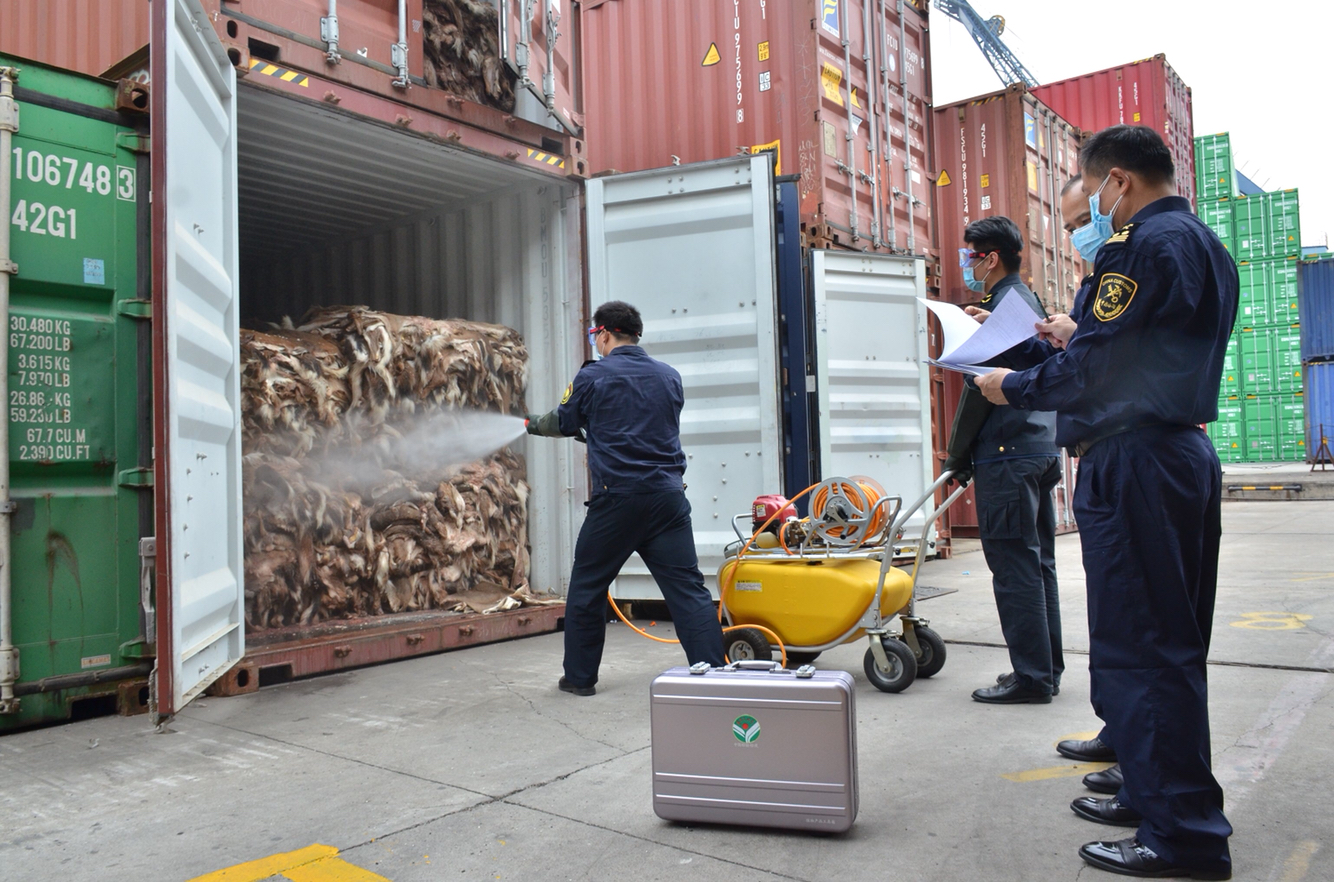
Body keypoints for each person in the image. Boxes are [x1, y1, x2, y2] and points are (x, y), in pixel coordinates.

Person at [975, 125, 1236, 880]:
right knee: (1166, 643)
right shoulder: (1203, 245)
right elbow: (1141, 350)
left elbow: (1096, 374)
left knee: (1144, 648)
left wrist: (1009, 385)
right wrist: (1077, 333)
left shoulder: (1137, 248)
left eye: (1092, 197)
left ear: (1117, 181)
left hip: (1137, 459)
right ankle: (1157, 797)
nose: (1093, 214)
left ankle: (1181, 837)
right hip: (1175, 451)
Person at [526, 301, 725, 696]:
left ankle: (580, 680)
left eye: (594, 336)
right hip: (668, 498)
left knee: (587, 587)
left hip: (617, 501)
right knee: (688, 591)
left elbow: (564, 422)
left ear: (603, 333)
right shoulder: (670, 377)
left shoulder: (593, 376)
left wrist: (532, 425)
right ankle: (717, 676)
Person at [944, 216, 1063, 705]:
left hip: (1006, 453)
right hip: (1038, 446)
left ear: (989, 257)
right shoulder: (1024, 302)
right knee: (1038, 565)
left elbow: (980, 391)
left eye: (968, 255)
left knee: (1015, 568)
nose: (965, 265)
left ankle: (1032, 677)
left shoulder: (1002, 309)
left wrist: (957, 455)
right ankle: (1046, 669)